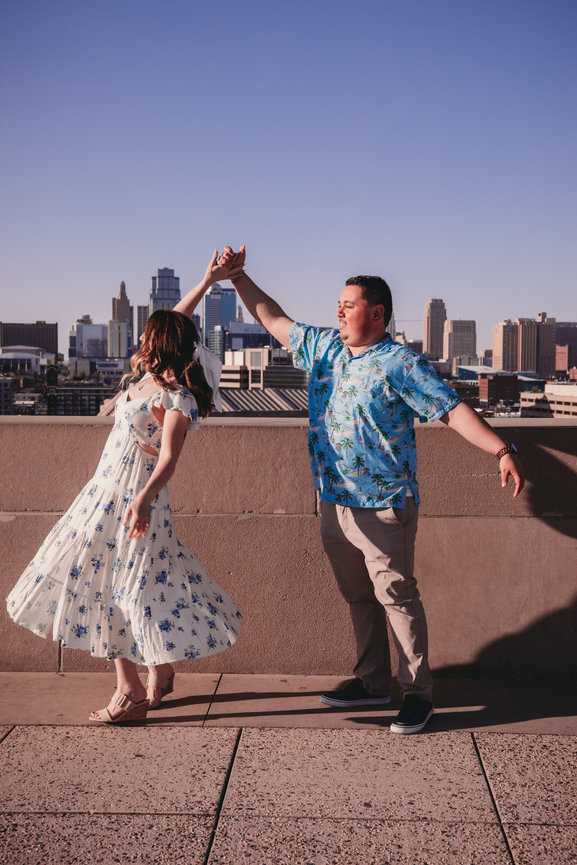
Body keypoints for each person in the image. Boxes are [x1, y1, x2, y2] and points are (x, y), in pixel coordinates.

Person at [221, 245, 525, 734]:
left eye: (349, 303)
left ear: (377, 312)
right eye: (338, 303)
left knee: (397, 598)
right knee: (359, 598)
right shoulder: (323, 347)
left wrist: (501, 450)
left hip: (383, 505)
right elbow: (274, 319)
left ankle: (417, 694)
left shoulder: (399, 362)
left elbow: (450, 409)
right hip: (333, 501)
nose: (338, 310)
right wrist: (238, 278)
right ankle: (373, 681)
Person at [6, 251, 245, 724]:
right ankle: (161, 667)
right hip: (103, 493)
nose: (139, 337)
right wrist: (206, 280)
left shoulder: (176, 397)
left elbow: (172, 457)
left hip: (134, 499)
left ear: (159, 342)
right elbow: (179, 321)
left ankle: (131, 691)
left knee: (116, 588)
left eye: (147, 333)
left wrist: (142, 500)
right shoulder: (148, 377)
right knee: (124, 583)